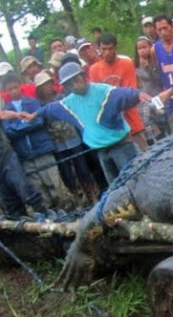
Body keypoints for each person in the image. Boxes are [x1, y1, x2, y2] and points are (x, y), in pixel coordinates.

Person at [22, 62, 151, 184]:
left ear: (84, 77)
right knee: (117, 187)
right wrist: (34, 114)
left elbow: (123, 93)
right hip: (101, 151)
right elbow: (49, 109)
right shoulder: (69, 103)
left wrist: (138, 94)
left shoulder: (104, 91)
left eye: (76, 80)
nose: (74, 85)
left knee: (136, 180)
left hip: (121, 146)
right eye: (69, 84)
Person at [2, 73, 73, 209]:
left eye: (15, 87)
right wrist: (27, 122)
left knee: (54, 183)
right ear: (6, 91)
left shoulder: (32, 102)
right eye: (10, 89)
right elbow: (9, 132)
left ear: (20, 87)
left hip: (42, 149)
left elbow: (39, 121)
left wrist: (20, 125)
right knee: (39, 189)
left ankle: (67, 209)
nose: (13, 91)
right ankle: (50, 217)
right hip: (25, 155)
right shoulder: (6, 111)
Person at [34, 71, 98, 203]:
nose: (47, 87)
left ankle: (91, 194)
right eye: (43, 85)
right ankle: (76, 197)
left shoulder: (63, 97)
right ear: (39, 89)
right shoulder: (39, 105)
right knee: (66, 172)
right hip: (56, 143)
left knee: (82, 166)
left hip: (73, 137)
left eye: (48, 84)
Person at [89, 33, 148, 151]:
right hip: (111, 125)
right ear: (98, 49)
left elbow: (130, 91)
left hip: (131, 118)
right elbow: (97, 97)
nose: (107, 52)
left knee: (144, 152)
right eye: (103, 49)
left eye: (110, 48)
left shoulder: (127, 63)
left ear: (116, 48)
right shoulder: (94, 70)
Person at [0, 108, 48, 217]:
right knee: (8, 200)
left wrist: (18, 115)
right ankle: (20, 225)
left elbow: (3, 114)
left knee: (25, 188)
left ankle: (43, 215)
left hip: (6, 157)